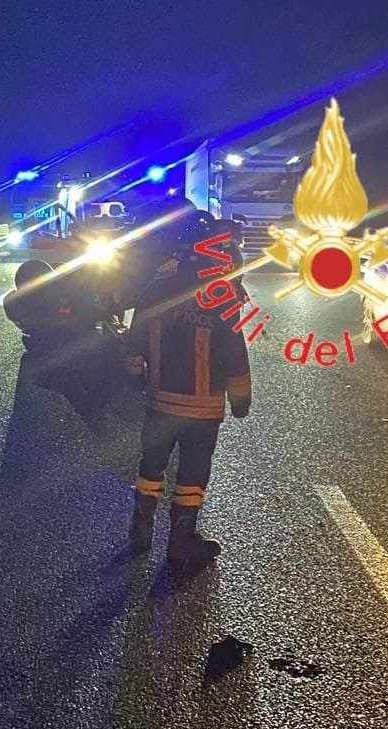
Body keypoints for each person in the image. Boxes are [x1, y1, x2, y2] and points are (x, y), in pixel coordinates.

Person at [124, 212, 252, 573]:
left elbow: (135, 338)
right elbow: (233, 352)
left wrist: (136, 373)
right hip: (202, 408)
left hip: (160, 401)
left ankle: (140, 528)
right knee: (192, 475)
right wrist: (241, 398)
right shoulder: (220, 292)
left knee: (151, 466)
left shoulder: (157, 286)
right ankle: (181, 541)